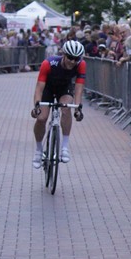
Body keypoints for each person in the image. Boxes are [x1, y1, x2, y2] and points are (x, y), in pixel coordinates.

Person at [30, 40, 85, 168]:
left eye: (76, 58)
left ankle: (64, 147)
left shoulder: (81, 64)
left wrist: (78, 108)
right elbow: (39, 88)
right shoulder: (48, 63)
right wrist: (37, 106)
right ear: (64, 55)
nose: (73, 61)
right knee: (41, 118)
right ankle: (38, 150)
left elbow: (79, 88)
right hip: (48, 88)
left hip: (64, 88)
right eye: (70, 57)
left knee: (66, 109)